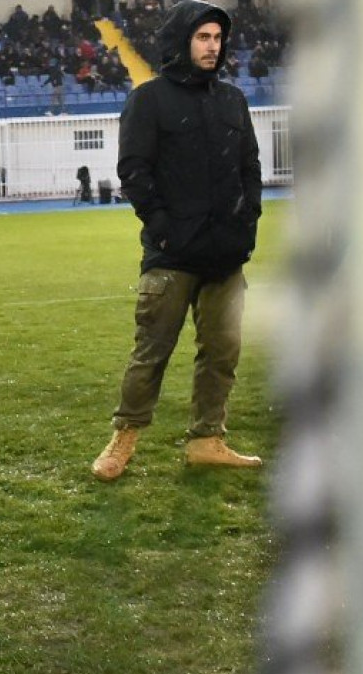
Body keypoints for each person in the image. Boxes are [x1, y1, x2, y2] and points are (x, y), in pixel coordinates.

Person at [91, 0, 263, 481]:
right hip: (171, 255)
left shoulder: (233, 100)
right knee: (151, 352)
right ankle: (123, 440)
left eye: (217, 38)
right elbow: (134, 172)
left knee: (222, 352)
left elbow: (250, 166)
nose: (213, 46)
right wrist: (164, 229)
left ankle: (208, 439)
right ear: (181, 41)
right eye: (203, 37)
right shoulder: (148, 100)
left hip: (226, 256)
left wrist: (246, 222)